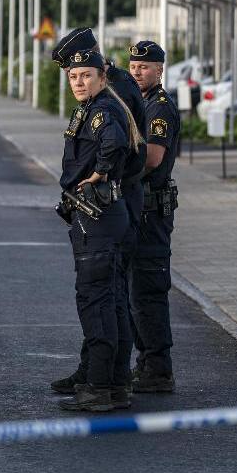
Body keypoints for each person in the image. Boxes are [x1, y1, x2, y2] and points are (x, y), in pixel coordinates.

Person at [49, 29, 145, 404]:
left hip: (99, 216)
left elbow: (114, 143)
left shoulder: (102, 109)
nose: (78, 82)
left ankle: (99, 388)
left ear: (102, 76)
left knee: (96, 301)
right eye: (73, 76)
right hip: (104, 215)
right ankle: (115, 383)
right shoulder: (97, 105)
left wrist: (100, 174)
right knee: (113, 300)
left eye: (85, 75)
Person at [127, 40, 181, 393]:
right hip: (140, 209)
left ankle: (158, 369)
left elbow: (152, 158)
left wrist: (119, 175)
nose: (137, 72)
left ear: (159, 70)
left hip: (151, 212)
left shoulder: (159, 107)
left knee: (148, 292)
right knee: (135, 292)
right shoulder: (140, 102)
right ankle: (146, 363)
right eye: (133, 66)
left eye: (144, 67)